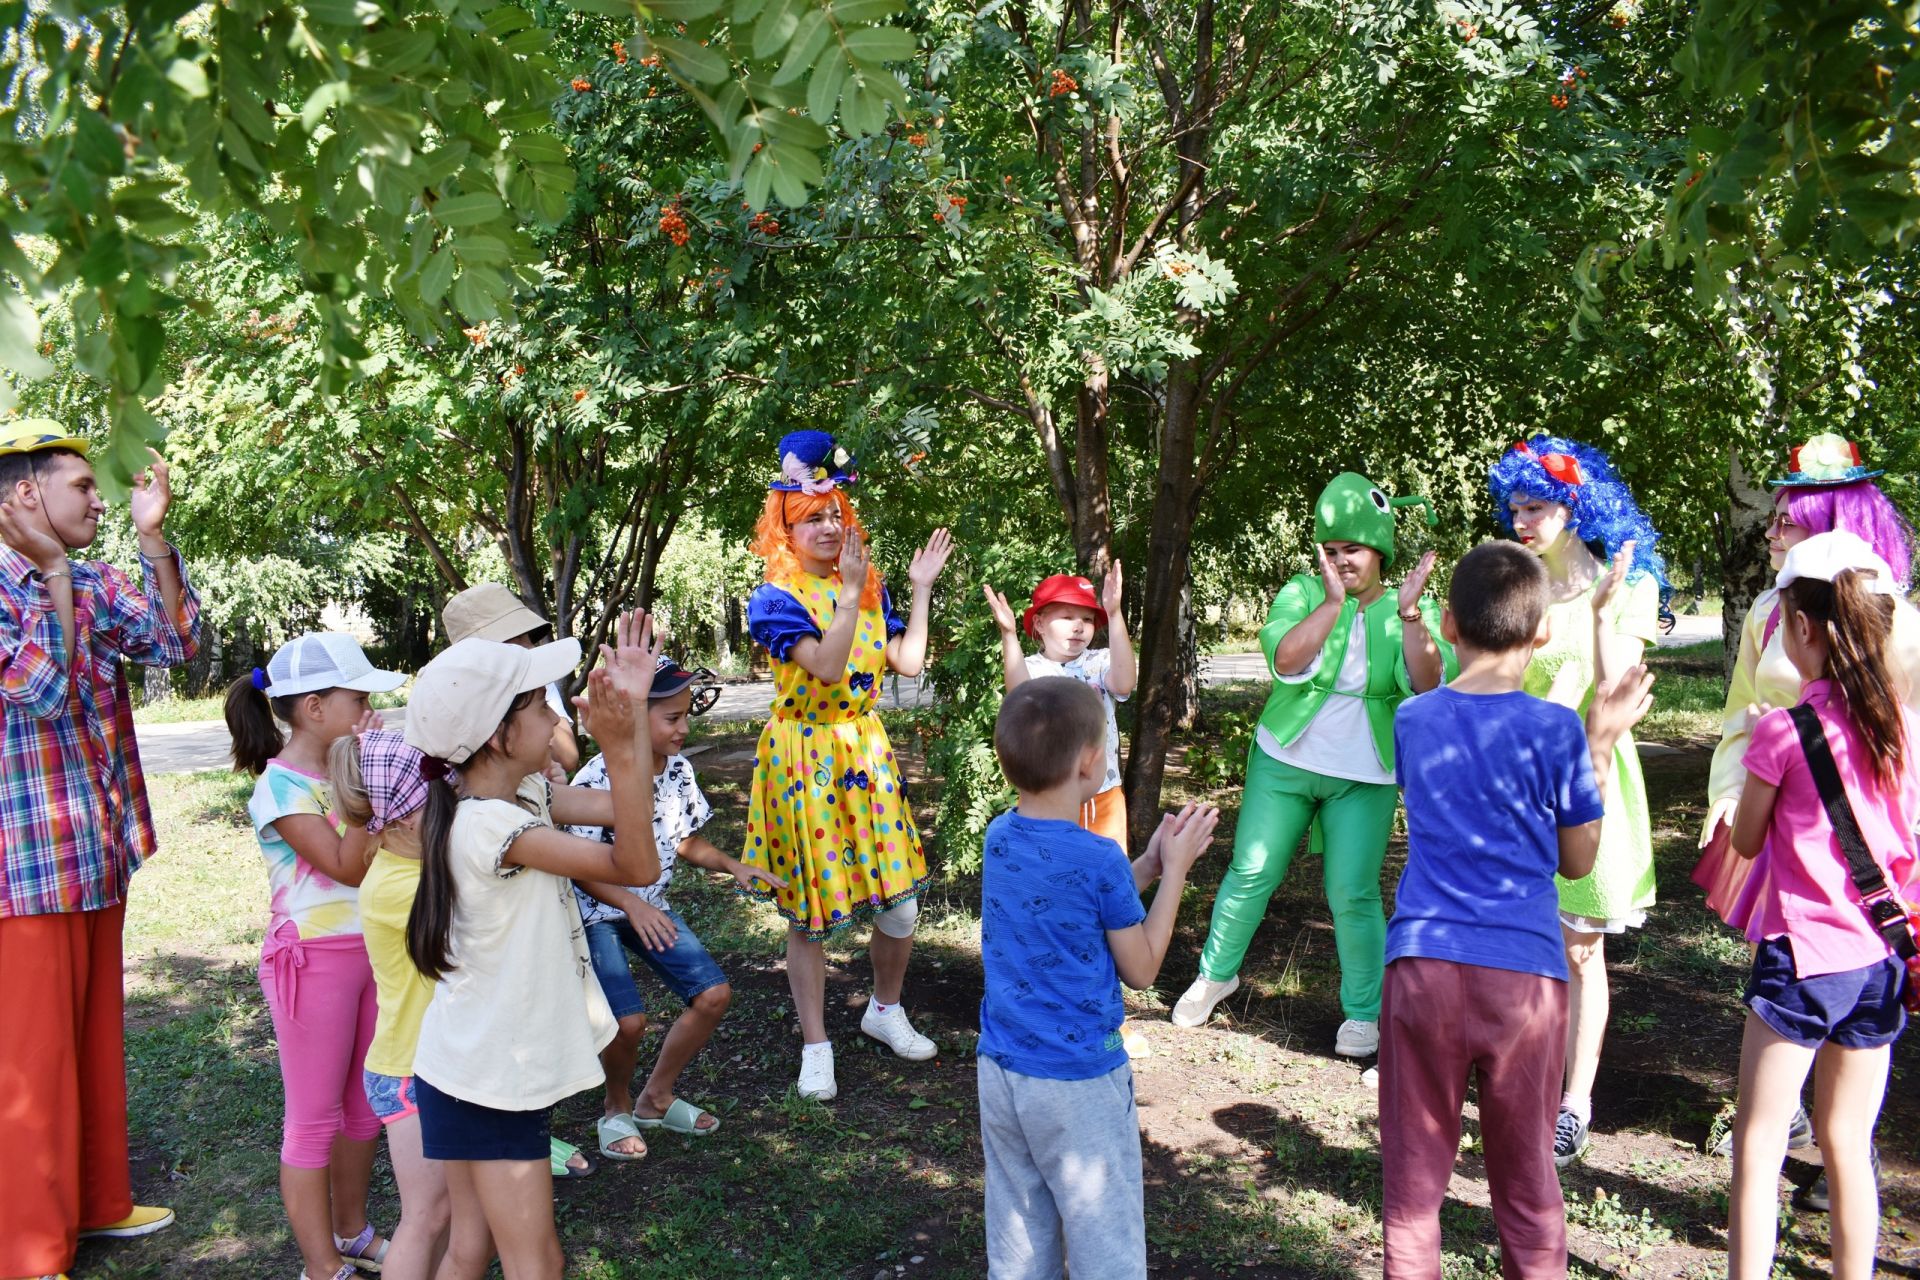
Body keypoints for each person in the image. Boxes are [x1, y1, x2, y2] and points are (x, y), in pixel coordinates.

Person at [1380, 541, 1654, 1280]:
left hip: (1423, 964)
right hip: (1525, 977)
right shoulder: (1556, 730)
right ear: (1540, 636)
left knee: (1412, 1190)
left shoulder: (1413, 718)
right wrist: (1600, 740)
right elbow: (1578, 861)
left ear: (1448, 621)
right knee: (1529, 1187)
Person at [401, 614, 662, 1279]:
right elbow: (635, 864)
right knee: (537, 1264)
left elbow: (623, 808)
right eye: (536, 703)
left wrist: (630, 717)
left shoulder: (519, 795)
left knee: (472, 1249)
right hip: (490, 1084)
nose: (554, 713)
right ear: (497, 736)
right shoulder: (493, 827)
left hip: (466, 1069)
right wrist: (621, 747)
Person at [0, 425, 199, 1280]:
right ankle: (30, 1249)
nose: (96, 498)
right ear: (24, 496)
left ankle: (95, 1202)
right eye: (77, 485)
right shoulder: (30, 586)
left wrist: (156, 545)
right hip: (22, 867)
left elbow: (178, 646)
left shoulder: (93, 578)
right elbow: (41, 690)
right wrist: (50, 577)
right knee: (32, 1063)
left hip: (93, 851)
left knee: (91, 1039)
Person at [1170, 472, 1451, 1059]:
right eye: (1331, 549)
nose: (1341, 559)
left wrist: (1409, 619)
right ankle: (1216, 974)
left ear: (1380, 550)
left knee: (1352, 892)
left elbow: (1428, 685)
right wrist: (1331, 603)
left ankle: (1363, 1012)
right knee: (1251, 871)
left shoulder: (1406, 607)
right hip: (1285, 759)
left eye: (1353, 548)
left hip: (1365, 773)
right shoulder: (1302, 593)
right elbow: (1285, 659)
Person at [977, 677, 1220, 1279]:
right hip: (1078, 1082)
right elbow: (1140, 969)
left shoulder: (1001, 838)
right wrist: (1176, 874)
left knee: (1018, 1230)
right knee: (1104, 1242)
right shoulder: (1096, 857)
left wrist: (1147, 865)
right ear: (1091, 762)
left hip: (1003, 1071)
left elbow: (1071, 903)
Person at [1724, 531, 1918, 1280]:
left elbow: (1744, 839)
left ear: (1802, 627)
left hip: (1801, 960)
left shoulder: (1781, 732)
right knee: (1848, 1140)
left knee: (1760, 1143)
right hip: (1877, 961)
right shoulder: (1898, 726)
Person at [739, 430, 954, 1101]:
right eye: (813, 519)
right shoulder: (774, 599)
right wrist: (853, 592)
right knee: (810, 911)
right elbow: (827, 668)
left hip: (864, 749)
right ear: (786, 529)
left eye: (836, 515)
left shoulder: (868, 586)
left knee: (901, 902)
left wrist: (917, 590)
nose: (829, 527)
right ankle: (816, 1044)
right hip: (804, 755)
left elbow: (907, 663)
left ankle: (883, 1011)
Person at [1488, 436, 1668, 1165]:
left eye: (1536, 506)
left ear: (1576, 503)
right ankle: (1514, 1078)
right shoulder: (1514, 576)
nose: (1522, 519)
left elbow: (1622, 689)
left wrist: (1596, 615)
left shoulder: (1629, 582)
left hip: (1590, 773)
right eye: (1516, 506)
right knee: (1513, 936)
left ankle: (1574, 1101)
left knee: (1580, 947)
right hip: (1514, 778)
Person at [225, 632, 407, 1280]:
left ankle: (352, 1230)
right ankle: (321, 1264)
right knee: (314, 1119)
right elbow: (344, 865)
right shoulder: (280, 789)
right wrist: (365, 787)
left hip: (372, 952)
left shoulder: (341, 770)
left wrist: (371, 783)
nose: (366, 709)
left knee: (364, 1106)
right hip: (314, 962)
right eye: (357, 698)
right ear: (313, 709)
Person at [563, 655, 785, 1160]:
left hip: (649, 906)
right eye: (672, 718)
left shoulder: (679, 771)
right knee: (627, 1022)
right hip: (597, 913)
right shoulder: (596, 777)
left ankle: (655, 1098)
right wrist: (630, 906)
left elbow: (684, 840)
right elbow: (579, 866)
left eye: (687, 715)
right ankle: (614, 1109)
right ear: (634, 718)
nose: (684, 728)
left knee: (712, 996)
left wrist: (733, 865)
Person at [1697, 433, 1920, 919]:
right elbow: (1741, 712)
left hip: (1869, 821)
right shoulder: (1766, 612)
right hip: (1778, 811)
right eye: (1773, 520)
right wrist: (1731, 790)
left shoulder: (1899, 622)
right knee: (1781, 947)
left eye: (1787, 523)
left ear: (1830, 530)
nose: (1770, 534)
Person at [984, 565, 1150, 1057]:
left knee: (1110, 898)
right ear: (1038, 624)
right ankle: (1038, 1000)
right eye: (1064, 617)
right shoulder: (1036, 670)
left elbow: (1124, 680)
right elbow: (1018, 694)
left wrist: (1116, 616)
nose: (1078, 627)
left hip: (1102, 798)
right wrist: (1009, 638)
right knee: (1048, 904)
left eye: (1087, 618)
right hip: (1050, 808)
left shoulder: (1098, 662)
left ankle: (1107, 1013)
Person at [328, 729, 461, 1280]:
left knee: (450, 1211)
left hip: (430, 1063)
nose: (450, 805)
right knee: (427, 1216)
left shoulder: (413, 864)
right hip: (408, 1069)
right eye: (437, 800)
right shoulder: (394, 887)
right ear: (403, 819)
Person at [443, 582, 582, 775]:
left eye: (528, 638)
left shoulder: (535, 677)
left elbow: (567, 757)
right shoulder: (453, 701)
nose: (531, 649)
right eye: (514, 641)